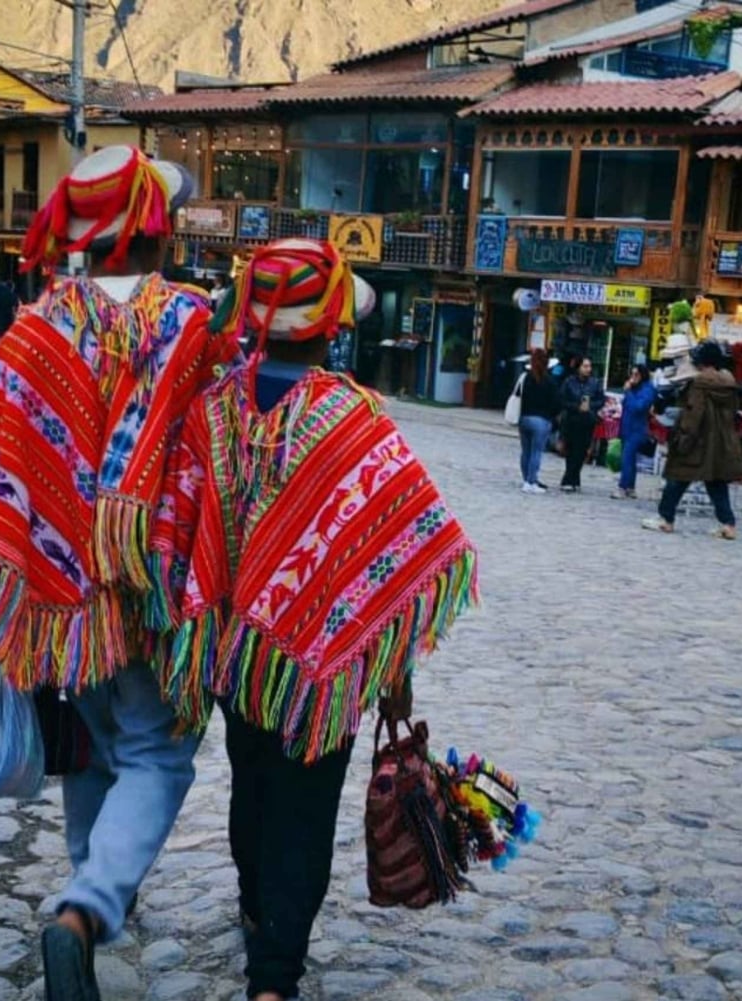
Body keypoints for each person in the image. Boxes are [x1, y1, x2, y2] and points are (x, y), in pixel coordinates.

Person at [0, 146, 235, 1001]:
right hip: (151, 591)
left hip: (57, 594)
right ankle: (86, 907)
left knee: (97, 749)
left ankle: (89, 907)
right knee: (154, 754)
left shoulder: (36, 328)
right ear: (157, 226)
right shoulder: (189, 322)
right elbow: (215, 449)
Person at [151, 238, 478, 1001]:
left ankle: (258, 912)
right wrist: (394, 674)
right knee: (303, 810)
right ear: (332, 329)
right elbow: (394, 555)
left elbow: (180, 529)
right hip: (323, 667)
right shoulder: (356, 423)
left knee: (251, 789)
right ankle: (274, 976)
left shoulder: (210, 414)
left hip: (238, 658)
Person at [643, 340, 742, 539]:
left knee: (677, 477)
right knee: (716, 482)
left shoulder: (699, 383)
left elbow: (693, 413)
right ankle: (728, 524)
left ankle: (666, 519)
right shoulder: (728, 384)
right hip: (720, 442)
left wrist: (682, 436)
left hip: (697, 441)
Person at [557, 355, 604, 493]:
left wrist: (590, 406)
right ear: (578, 368)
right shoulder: (569, 382)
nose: (588, 369)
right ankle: (569, 479)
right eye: (585, 366)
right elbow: (562, 400)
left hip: (587, 421)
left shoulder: (594, 383)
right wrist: (576, 406)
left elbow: (601, 400)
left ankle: (573, 478)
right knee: (571, 451)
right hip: (571, 420)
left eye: (589, 366)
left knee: (582, 451)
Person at [612, 364, 656, 500]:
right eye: (632, 374)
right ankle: (630, 487)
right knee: (630, 459)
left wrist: (629, 392)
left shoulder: (648, 389)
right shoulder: (636, 388)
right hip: (627, 427)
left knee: (627, 458)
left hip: (637, 429)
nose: (633, 378)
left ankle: (622, 487)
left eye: (636, 375)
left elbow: (639, 407)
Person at [516, 348, 555, 494]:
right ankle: (531, 481)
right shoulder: (549, 381)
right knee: (536, 452)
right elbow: (555, 402)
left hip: (524, 418)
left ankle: (526, 479)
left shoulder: (526, 377)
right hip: (541, 420)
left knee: (525, 451)